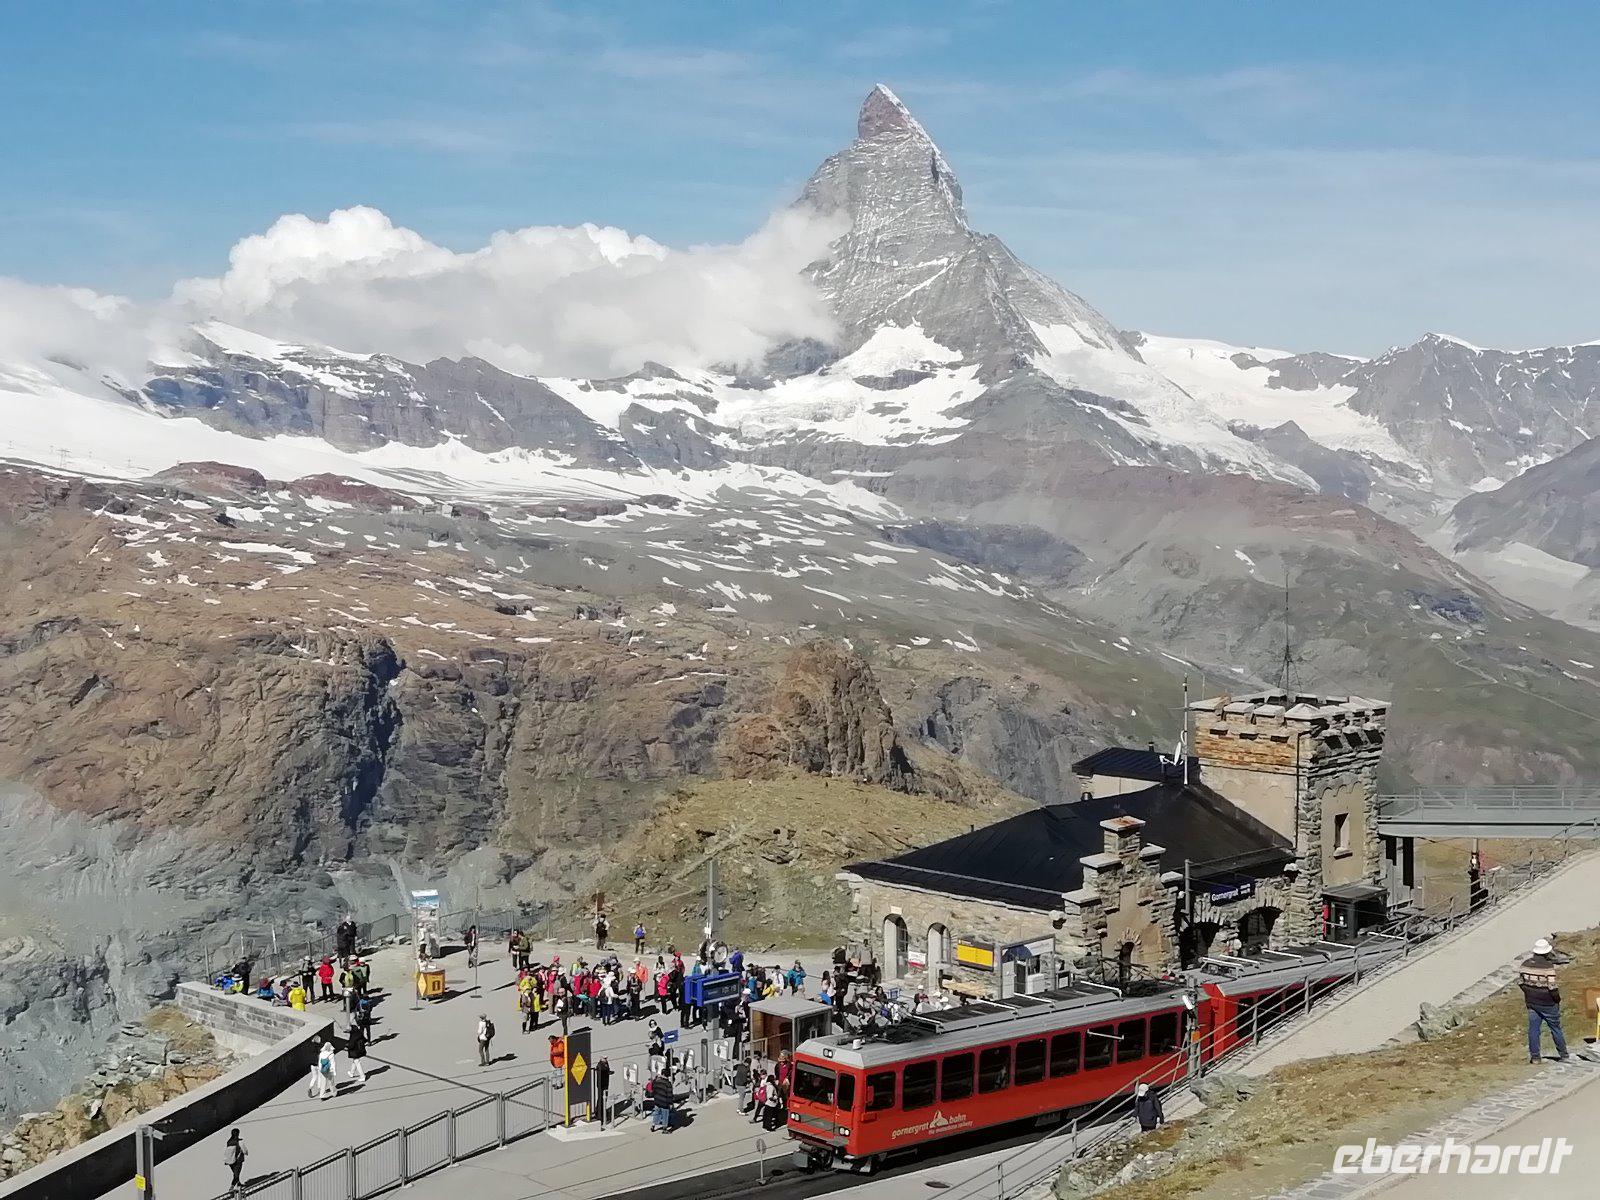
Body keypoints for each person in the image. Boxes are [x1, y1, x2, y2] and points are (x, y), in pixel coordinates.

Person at [1520, 937, 1570, 1062]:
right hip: (1548, 1003)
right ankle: (1563, 1054)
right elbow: (1552, 987)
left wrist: (1529, 993)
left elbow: (1521, 982)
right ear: (1546, 952)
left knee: (1534, 1029)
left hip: (1531, 1002)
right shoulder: (1548, 967)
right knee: (1555, 1028)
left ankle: (1535, 1057)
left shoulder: (1525, 964)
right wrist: (1557, 999)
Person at [344, 1020, 368, 1086]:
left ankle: (362, 1076)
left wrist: (346, 1047)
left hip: (355, 1051)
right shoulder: (359, 1033)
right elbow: (365, 1040)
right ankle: (351, 1073)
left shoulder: (353, 1036)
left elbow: (351, 1045)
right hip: (360, 1050)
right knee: (355, 1061)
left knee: (357, 1062)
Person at [224, 1128, 247, 1194]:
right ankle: (231, 1188)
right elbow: (245, 1151)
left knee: (235, 1173)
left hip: (230, 1161)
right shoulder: (239, 1142)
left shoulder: (229, 1141)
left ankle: (239, 1184)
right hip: (238, 1160)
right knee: (236, 1175)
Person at [593, 1056, 612, 1125]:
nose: (606, 1059)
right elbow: (602, 1073)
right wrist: (608, 1073)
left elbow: (606, 1071)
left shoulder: (606, 1063)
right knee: (601, 1099)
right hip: (602, 1084)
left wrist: (609, 1072)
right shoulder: (600, 1065)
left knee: (604, 1099)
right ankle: (599, 1115)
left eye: (606, 1058)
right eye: (604, 1058)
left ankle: (602, 1112)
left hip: (605, 1084)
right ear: (601, 1059)